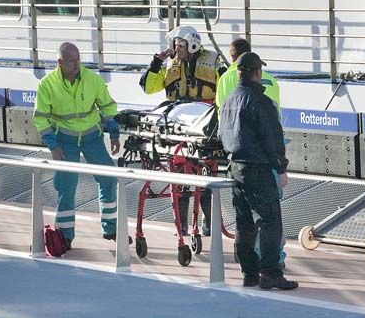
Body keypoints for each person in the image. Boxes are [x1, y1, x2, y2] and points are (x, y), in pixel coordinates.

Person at [219, 52, 298, 290]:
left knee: (244, 223)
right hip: (258, 168)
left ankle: (249, 273)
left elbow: (223, 134)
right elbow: (271, 138)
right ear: (257, 72)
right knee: (271, 221)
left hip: (235, 167)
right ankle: (270, 273)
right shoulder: (261, 102)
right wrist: (280, 168)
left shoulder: (229, 99)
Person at [33, 42, 121, 247]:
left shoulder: (91, 78)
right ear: (60, 62)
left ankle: (111, 229)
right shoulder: (47, 84)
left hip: (92, 138)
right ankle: (65, 236)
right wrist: (53, 145)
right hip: (64, 141)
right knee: (66, 186)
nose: (76, 64)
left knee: (109, 179)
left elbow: (108, 106)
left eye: (78, 59)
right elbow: (41, 119)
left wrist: (114, 133)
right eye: (71, 61)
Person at [140, 25, 224, 236]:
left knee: (207, 176)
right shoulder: (169, 65)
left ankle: (209, 224)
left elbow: (226, 85)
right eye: (176, 46)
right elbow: (149, 87)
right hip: (179, 126)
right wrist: (157, 62)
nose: (177, 50)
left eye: (180, 46)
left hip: (205, 124)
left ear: (192, 44)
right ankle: (183, 226)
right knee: (180, 177)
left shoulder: (213, 61)